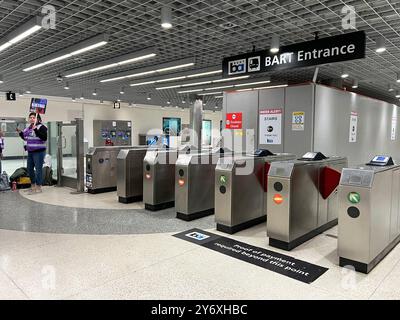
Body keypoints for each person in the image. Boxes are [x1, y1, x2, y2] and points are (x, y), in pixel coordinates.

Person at [16, 113, 48, 194]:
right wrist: (20, 133)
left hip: (39, 152)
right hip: (30, 152)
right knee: (29, 169)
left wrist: (36, 130)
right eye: (30, 117)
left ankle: (38, 187)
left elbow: (44, 137)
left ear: (38, 119)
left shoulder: (42, 127)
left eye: (34, 117)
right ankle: (33, 186)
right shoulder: (28, 128)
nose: (32, 119)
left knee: (38, 170)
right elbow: (25, 137)